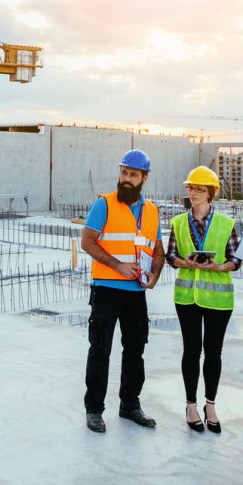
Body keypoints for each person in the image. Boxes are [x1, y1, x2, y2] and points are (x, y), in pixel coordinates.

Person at [78, 149, 164, 433]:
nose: (126, 179)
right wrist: (117, 265)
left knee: (135, 350)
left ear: (144, 178)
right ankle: (94, 410)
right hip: (106, 290)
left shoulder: (152, 212)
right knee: (100, 350)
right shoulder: (104, 204)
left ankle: (129, 405)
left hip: (136, 292)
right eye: (124, 172)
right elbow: (87, 242)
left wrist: (154, 274)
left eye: (133, 174)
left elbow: (158, 250)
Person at [165, 166, 240, 433]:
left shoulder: (226, 224)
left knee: (213, 352)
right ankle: (191, 405)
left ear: (210, 193)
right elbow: (170, 256)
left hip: (218, 300)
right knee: (191, 350)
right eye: (190, 188)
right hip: (187, 297)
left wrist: (219, 267)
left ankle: (210, 404)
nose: (193, 193)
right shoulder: (178, 223)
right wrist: (182, 262)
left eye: (199, 189)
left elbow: (235, 259)